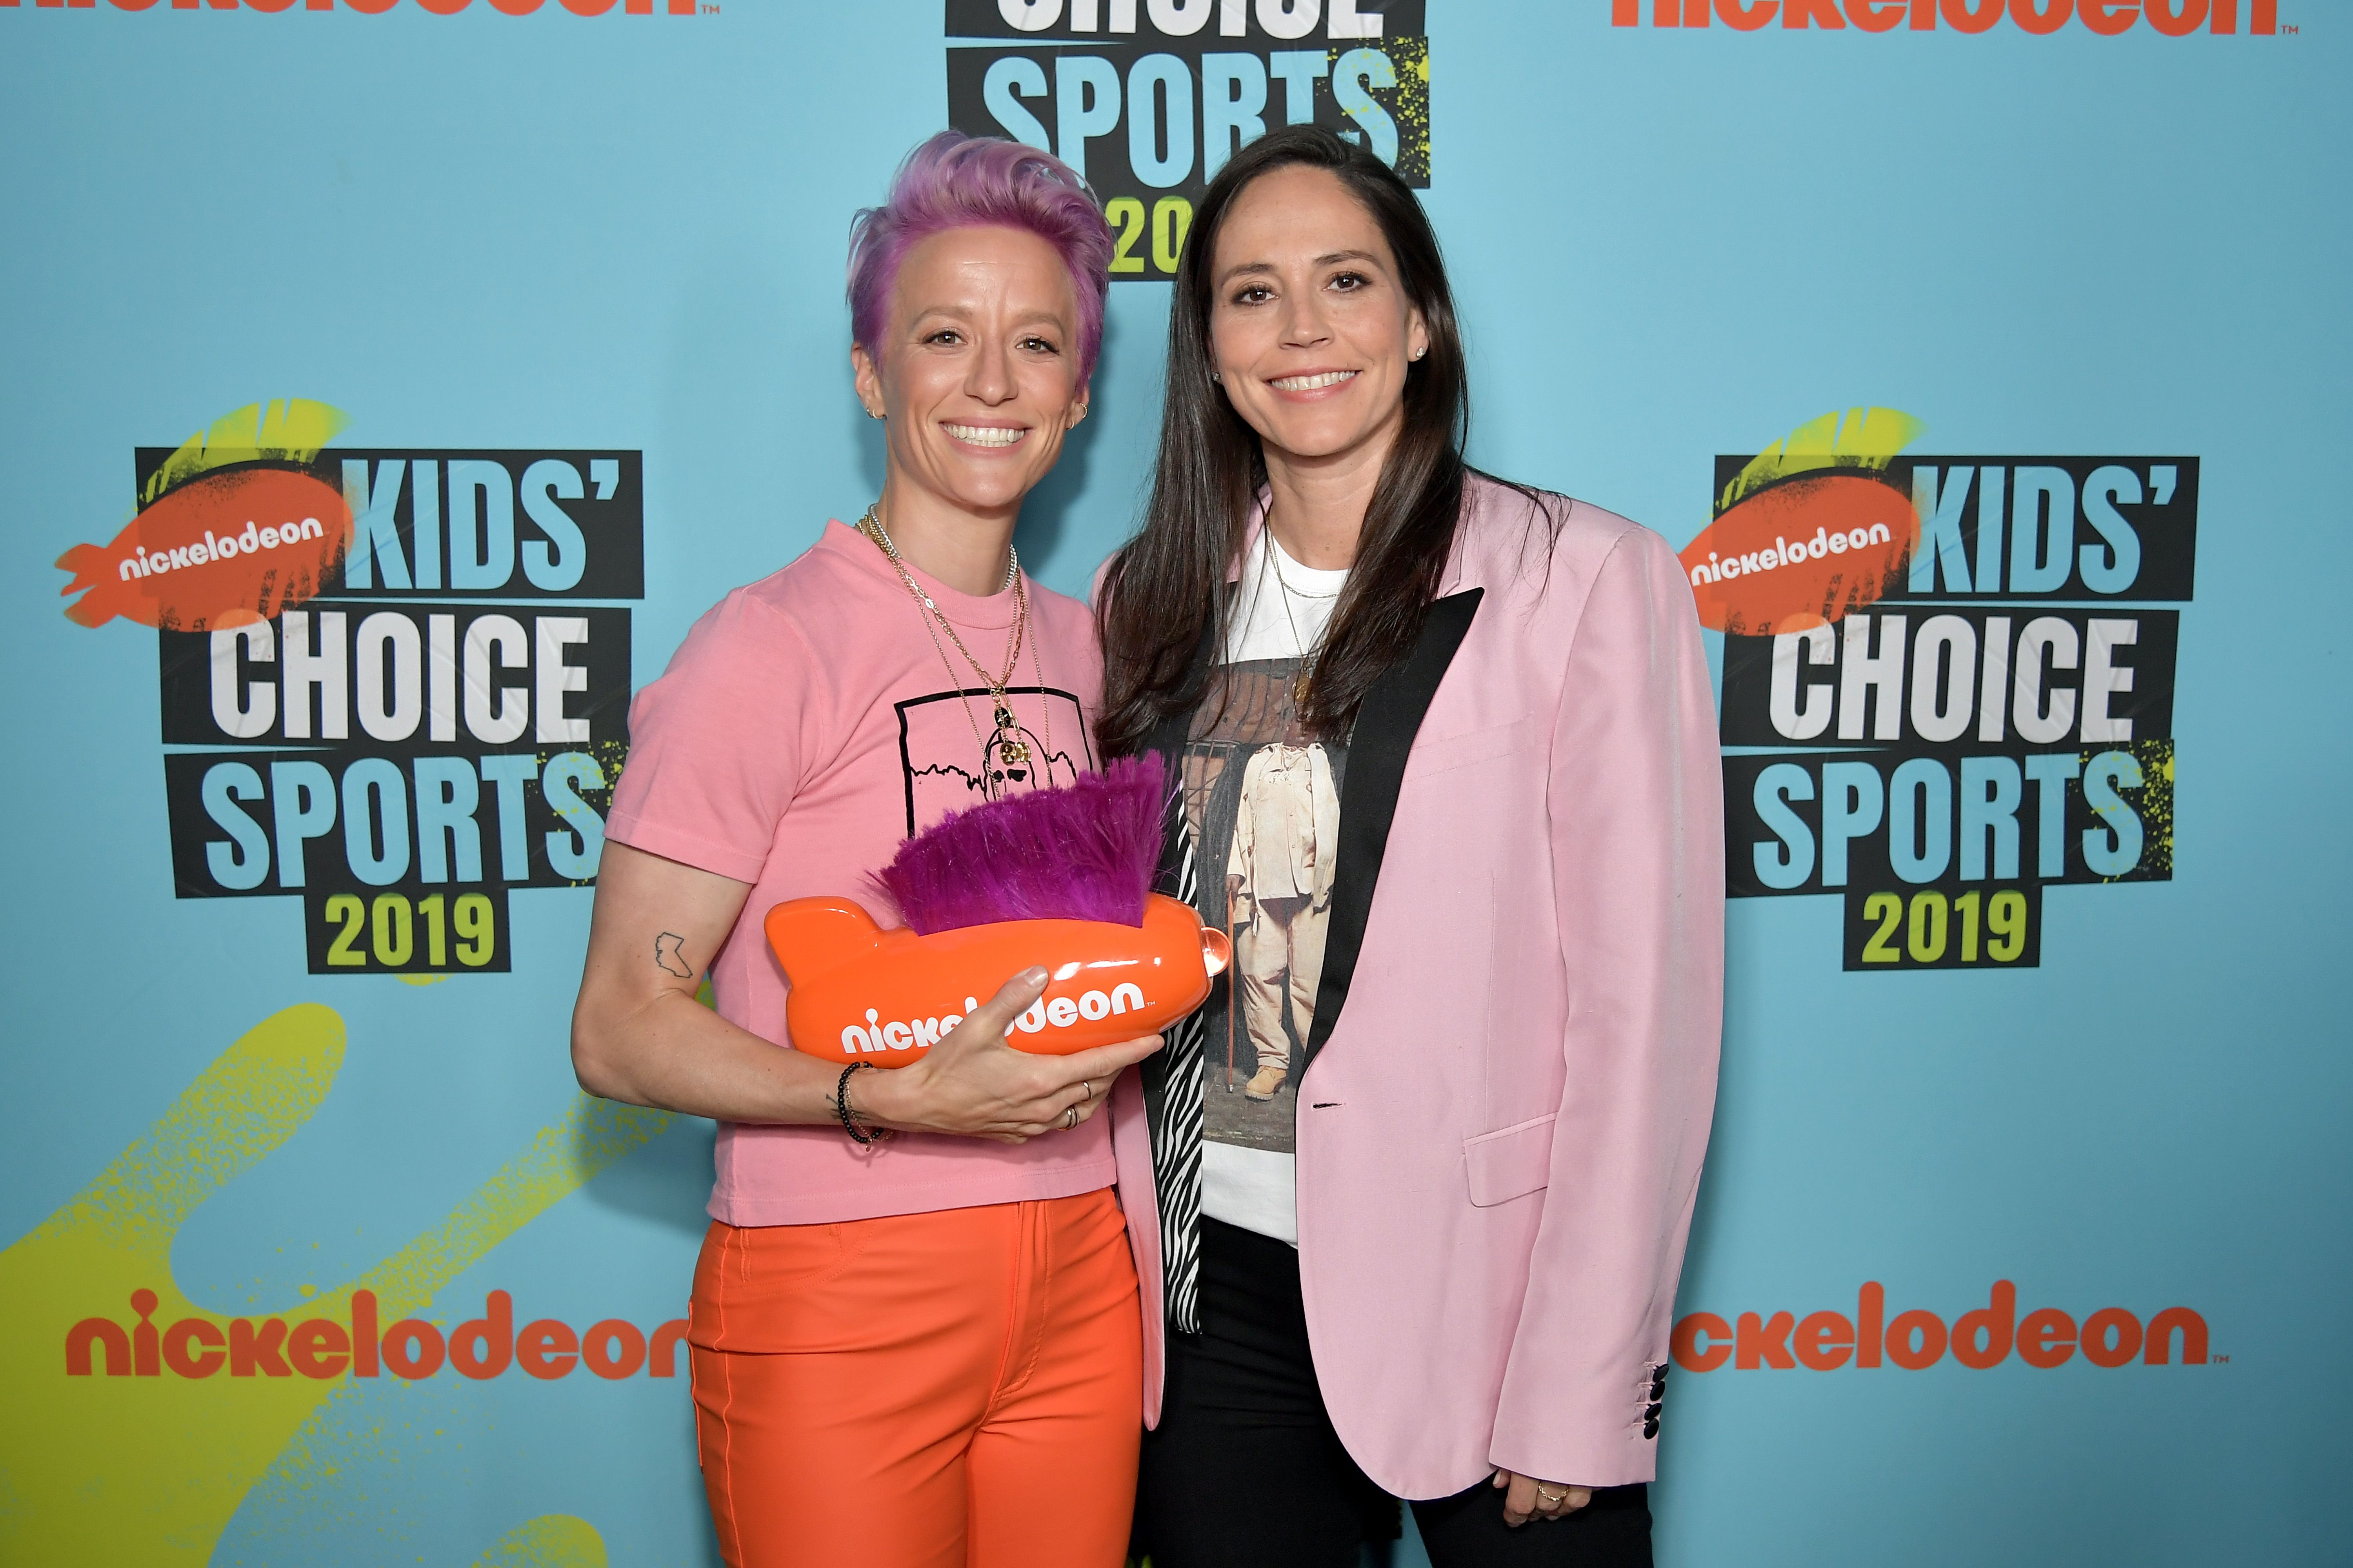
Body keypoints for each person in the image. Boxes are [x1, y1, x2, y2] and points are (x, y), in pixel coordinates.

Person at [1094, 126, 1725, 1567]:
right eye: (1253, 294)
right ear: (1206, 342)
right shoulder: (1153, 597)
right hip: (1213, 1302)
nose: (1302, 329)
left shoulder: (1585, 579)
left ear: (1421, 318)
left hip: (1492, 1301)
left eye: (1346, 281)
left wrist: (1579, 1386)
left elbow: (1649, 1028)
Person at [569, 132, 1165, 1568]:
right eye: (943, 336)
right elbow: (620, 1027)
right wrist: (891, 1096)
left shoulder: (1094, 650)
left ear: (1079, 394)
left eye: (1035, 345)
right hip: (842, 1288)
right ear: (869, 372)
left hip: (1083, 1271)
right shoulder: (767, 647)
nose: (990, 382)